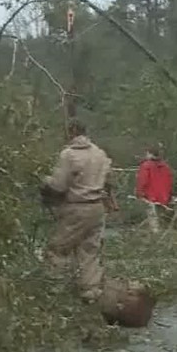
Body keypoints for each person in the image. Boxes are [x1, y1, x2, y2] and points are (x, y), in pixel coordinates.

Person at [42, 120, 113, 302]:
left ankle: (55, 289)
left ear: (70, 132)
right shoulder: (99, 153)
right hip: (97, 206)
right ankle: (91, 291)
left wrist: (45, 181)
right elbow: (108, 179)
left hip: (77, 206)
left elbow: (59, 185)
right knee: (89, 250)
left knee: (58, 248)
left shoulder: (68, 154)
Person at [135, 146, 174, 233]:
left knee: (153, 222)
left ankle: (155, 237)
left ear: (150, 154)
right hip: (164, 198)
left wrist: (139, 194)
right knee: (162, 221)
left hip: (150, 197)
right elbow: (170, 181)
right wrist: (169, 195)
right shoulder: (165, 166)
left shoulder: (146, 165)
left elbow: (142, 181)